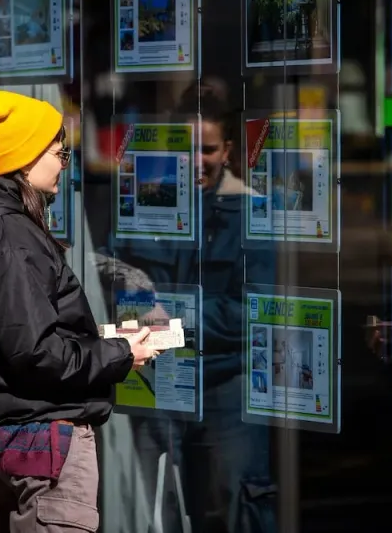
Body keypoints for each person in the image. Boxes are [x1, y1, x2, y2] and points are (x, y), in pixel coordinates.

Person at [0, 87, 157, 533]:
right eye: (59, 152)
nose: (64, 162)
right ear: (25, 155)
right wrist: (120, 354)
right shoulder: (8, 235)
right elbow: (33, 352)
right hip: (44, 436)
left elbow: (25, 335)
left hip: (23, 434)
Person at [94, 83, 277, 533]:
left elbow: (251, 311)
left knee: (241, 498)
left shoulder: (251, 211)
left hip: (225, 382)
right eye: (187, 148)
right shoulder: (146, 205)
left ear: (229, 150)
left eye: (209, 149)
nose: (197, 160)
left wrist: (173, 316)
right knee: (154, 504)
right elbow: (104, 266)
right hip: (158, 377)